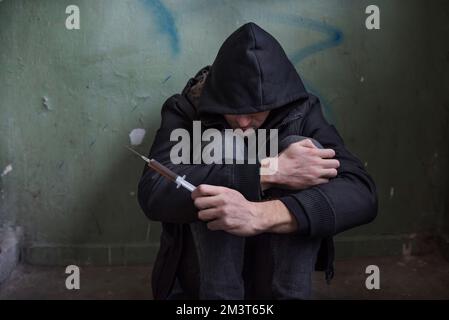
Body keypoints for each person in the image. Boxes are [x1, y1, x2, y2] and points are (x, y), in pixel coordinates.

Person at [138, 22, 378, 300]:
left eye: (255, 111)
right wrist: (268, 172)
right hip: (201, 279)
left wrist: (261, 215)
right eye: (232, 108)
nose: (242, 121)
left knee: (304, 148)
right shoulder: (187, 110)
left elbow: (362, 193)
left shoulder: (302, 112)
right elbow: (152, 190)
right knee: (219, 146)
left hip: (272, 267)